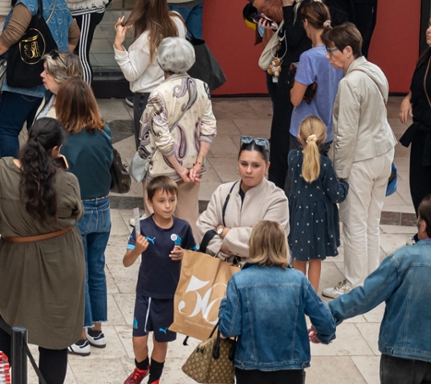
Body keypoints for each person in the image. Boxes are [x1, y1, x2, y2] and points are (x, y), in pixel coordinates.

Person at [0, 118, 84, 384]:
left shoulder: (0, 172)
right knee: (54, 341)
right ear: (56, 149)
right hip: (62, 263)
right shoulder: (67, 181)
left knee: (7, 324)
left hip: (17, 262)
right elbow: (75, 212)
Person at [323, 22, 395, 299]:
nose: (329, 56)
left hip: (361, 159)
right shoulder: (375, 70)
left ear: (348, 50)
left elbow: (345, 134)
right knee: (371, 221)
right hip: (383, 152)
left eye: (332, 51)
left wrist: (339, 173)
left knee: (354, 224)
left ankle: (354, 282)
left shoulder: (350, 82)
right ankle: (372, 278)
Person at [0, 0, 80, 158]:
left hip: (24, 77)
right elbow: (75, 35)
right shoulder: (60, 1)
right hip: (51, 82)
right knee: (39, 134)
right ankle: (38, 174)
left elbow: (12, 33)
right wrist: (58, 60)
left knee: (6, 129)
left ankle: (13, 175)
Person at [328, 194, 431, 384]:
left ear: (423, 225)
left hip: (400, 354)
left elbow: (366, 296)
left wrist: (328, 314)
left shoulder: (403, 259)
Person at [217, 221, 337, 383]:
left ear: (254, 245)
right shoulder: (299, 280)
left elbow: (229, 329)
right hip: (291, 369)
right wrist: (323, 336)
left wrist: (225, 302)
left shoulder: (239, 281)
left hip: (250, 369)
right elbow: (326, 324)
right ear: (283, 245)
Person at [54, 78, 114, 353]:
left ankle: (79, 336)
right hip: (103, 208)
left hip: (77, 211)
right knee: (96, 269)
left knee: (78, 273)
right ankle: (97, 331)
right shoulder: (105, 132)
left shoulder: (64, 141)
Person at [121, 175, 196, 384]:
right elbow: (126, 262)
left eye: (172, 200)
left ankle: (155, 378)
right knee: (138, 339)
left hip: (169, 296)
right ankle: (141, 368)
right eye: (161, 201)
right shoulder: (142, 228)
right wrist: (137, 249)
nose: (168, 205)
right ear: (150, 201)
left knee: (161, 341)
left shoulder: (183, 228)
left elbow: (196, 255)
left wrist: (185, 254)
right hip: (145, 293)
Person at [258, 0, 324, 187]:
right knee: (283, 126)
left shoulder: (305, 4)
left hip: (295, 74)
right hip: (291, 70)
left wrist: (287, 8)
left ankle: (279, 182)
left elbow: (298, 39)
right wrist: (277, 26)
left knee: (283, 130)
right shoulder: (300, 1)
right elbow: (294, 34)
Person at [138, 36, 216, 224]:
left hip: (162, 168)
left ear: (161, 61)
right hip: (193, 167)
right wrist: (198, 164)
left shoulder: (159, 94)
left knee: (157, 224)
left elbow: (161, 137)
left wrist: (179, 169)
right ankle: (188, 254)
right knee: (188, 220)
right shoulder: (202, 87)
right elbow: (209, 127)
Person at [113, 0, 187, 141]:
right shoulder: (177, 21)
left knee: (145, 151)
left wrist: (118, 45)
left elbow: (131, 74)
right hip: (174, 94)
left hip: (149, 99)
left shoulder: (147, 39)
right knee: (168, 143)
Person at [198, 137, 290, 261]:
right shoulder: (223, 191)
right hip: (222, 272)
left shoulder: (277, 199)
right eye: (244, 164)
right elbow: (202, 227)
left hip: (260, 274)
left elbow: (266, 242)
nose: (248, 170)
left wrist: (222, 231)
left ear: (267, 167)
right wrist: (222, 248)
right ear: (237, 163)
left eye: (256, 165)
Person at [286, 115, 345, 291]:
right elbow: (335, 194)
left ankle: (297, 294)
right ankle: (311, 295)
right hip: (319, 218)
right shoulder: (325, 165)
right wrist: (345, 186)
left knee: (299, 257)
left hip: (297, 215)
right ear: (323, 139)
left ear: (299, 137)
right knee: (315, 258)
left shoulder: (293, 158)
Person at [288, 1, 339, 146]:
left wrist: (292, 84)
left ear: (306, 23)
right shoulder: (339, 54)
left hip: (304, 130)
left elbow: (296, 99)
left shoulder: (309, 57)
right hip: (327, 131)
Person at [399, 20, 431, 208]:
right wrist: (408, 98)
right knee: (419, 192)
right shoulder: (426, 57)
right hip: (422, 136)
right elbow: (422, 84)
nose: (428, 30)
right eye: (428, 25)